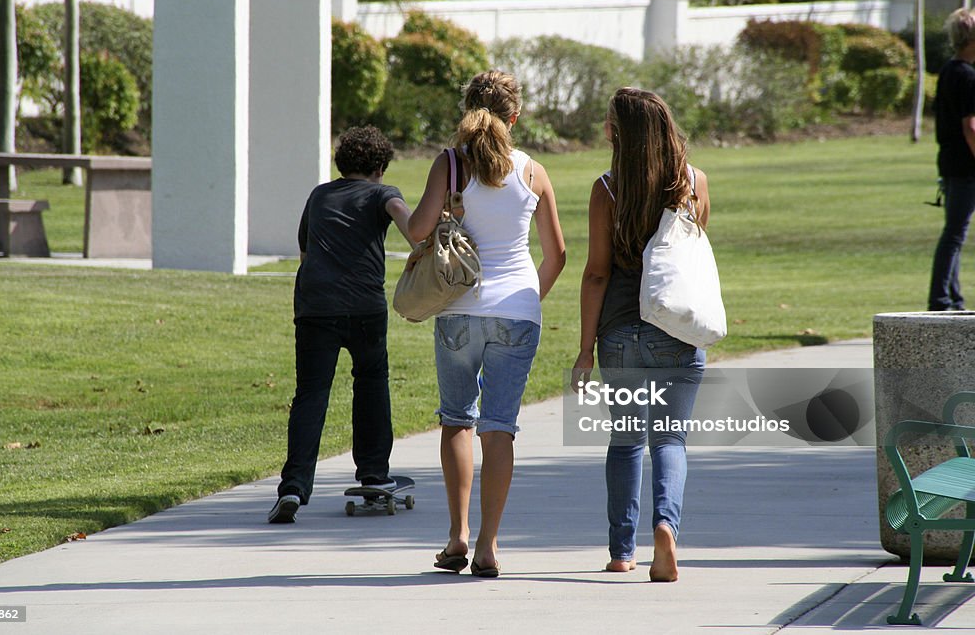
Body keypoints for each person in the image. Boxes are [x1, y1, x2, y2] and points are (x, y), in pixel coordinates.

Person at [408, 70, 566, 576]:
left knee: (457, 418)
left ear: (466, 110)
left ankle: (456, 537)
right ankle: (489, 547)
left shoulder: (450, 166)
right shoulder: (533, 172)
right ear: (514, 117)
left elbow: (417, 232)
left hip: (458, 311)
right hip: (517, 312)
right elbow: (557, 254)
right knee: (500, 429)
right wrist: (526, 302)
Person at [571, 88, 708, 581]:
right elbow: (690, 257)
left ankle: (621, 551)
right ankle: (666, 529)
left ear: (622, 133)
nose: (604, 128)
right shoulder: (694, 183)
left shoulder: (606, 189)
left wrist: (585, 349)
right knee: (670, 439)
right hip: (675, 330)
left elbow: (596, 274)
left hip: (620, 332)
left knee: (626, 440)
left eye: (609, 122)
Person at [269, 125, 412, 523]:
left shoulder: (319, 196)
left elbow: (304, 251)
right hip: (365, 307)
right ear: (381, 166)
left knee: (311, 394)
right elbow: (407, 222)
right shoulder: (384, 193)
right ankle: (373, 472)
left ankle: (294, 488)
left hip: (314, 307)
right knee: (370, 382)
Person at [929, 8, 975, 311]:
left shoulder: (949, 70)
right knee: (955, 235)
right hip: (966, 166)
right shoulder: (969, 76)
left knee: (955, 232)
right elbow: (970, 126)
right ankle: (941, 299)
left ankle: (953, 298)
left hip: (949, 161)